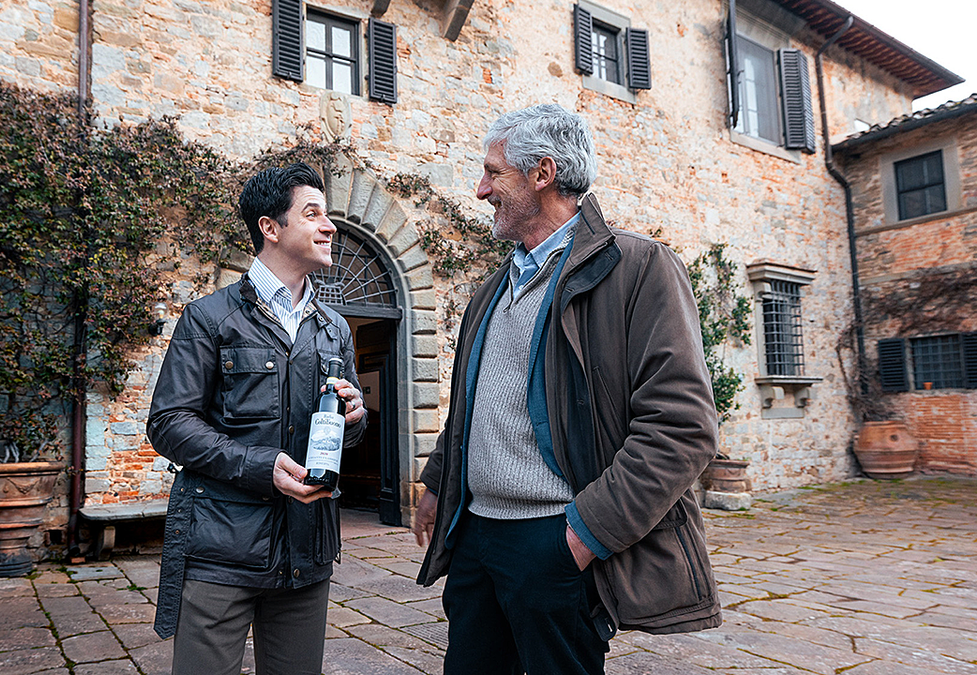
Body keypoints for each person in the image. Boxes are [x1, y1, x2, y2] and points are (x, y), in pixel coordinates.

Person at [413, 104, 722, 674]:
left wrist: (581, 536)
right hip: (477, 539)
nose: (481, 190)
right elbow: (473, 407)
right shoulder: (490, 290)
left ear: (542, 173)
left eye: (493, 173)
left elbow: (683, 428)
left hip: (555, 540)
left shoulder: (638, 268)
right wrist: (437, 481)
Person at [148, 162, 367, 675]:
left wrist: (353, 419)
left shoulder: (335, 329)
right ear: (270, 227)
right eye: (312, 214)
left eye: (328, 215)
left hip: (308, 549)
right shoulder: (209, 317)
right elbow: (169, 422)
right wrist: (261, 466)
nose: (330, 227)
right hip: (221, 550)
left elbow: (343, 437)